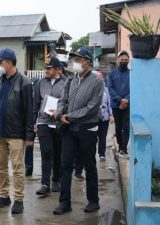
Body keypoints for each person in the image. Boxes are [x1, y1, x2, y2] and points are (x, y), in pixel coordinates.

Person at [0, 48, 34, 214]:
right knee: (0, 166)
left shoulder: (24, 83)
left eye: (0, 62)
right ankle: (3, 196)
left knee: (17, 167)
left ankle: (18, 199)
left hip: (15, 133)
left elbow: (29, 111)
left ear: (9, 63)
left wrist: (29, 135)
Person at [53, 48, 104, 215]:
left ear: (87, 62)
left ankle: (93, 201)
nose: (75, 63)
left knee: (89, 165)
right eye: (74, 59)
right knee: (65, 165)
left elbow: (92, 108)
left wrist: (70, 116)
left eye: (78, 60)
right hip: (69, 129)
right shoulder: (70, 80)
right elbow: (62, 100)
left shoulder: (97, 82)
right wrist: (60, 114)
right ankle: (64, 203)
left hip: (87, 130)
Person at [33, 57, 66, 196]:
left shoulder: (66, 83)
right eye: (46, 68)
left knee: (58, 151)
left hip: (58, 122)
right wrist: (33, 122)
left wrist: (59, 110)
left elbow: (68, 101)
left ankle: (56, 179)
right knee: (46, 152)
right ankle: (45, 183)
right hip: (43, 121)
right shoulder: (40, 83)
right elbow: (36, 104)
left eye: (50, 68)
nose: (46, 70)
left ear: (58, 69)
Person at [107, 50, 130, 158]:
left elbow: (135, 88)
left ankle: (124, 149)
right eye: (122, 60)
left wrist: (126, 100)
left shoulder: (132, 73)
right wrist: (119, 100)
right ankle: (120, 145)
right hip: (116, 105)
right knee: (118, 127)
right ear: (118, 60)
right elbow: (110, 89)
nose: (124, 61)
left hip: (128, 105)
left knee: (126, 127)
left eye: (126, 60)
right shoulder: (111, 74)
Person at [94, 71, 114, 160]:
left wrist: (111, 115)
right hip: (93, 118)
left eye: (101, 77)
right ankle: (91, 154)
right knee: (93, 138)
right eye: (98, 77)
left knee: (103, 137)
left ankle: (102, 154)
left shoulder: (106, 89)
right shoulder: (91, 89)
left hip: (104, 117)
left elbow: (109, 103)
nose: (100, 78)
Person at [25, 77, 40, 176]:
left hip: (40, 123)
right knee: (28, 146)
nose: (33, 92)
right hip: (29, 124)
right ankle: (28, 168)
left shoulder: (40, 96)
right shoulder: (26, 98)